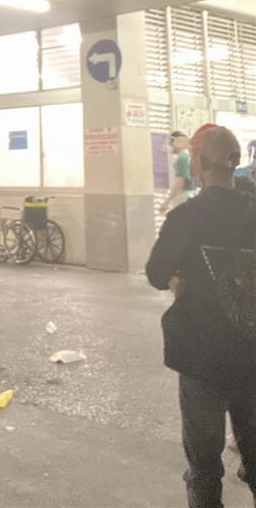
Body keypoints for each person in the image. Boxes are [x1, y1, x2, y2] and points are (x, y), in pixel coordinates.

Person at [146, 123, 256, 507]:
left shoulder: (186, 216)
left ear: (198, 162)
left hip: (202, 358)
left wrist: (179, 277)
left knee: (204, 466)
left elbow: (156, 273)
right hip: (251, 354)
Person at [159, 131, 197, 215]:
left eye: (170, 143)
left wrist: (167, 202)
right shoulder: (185, 157)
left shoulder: (182, 159)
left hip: (183, 198)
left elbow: (180, 182)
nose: (169, 146)